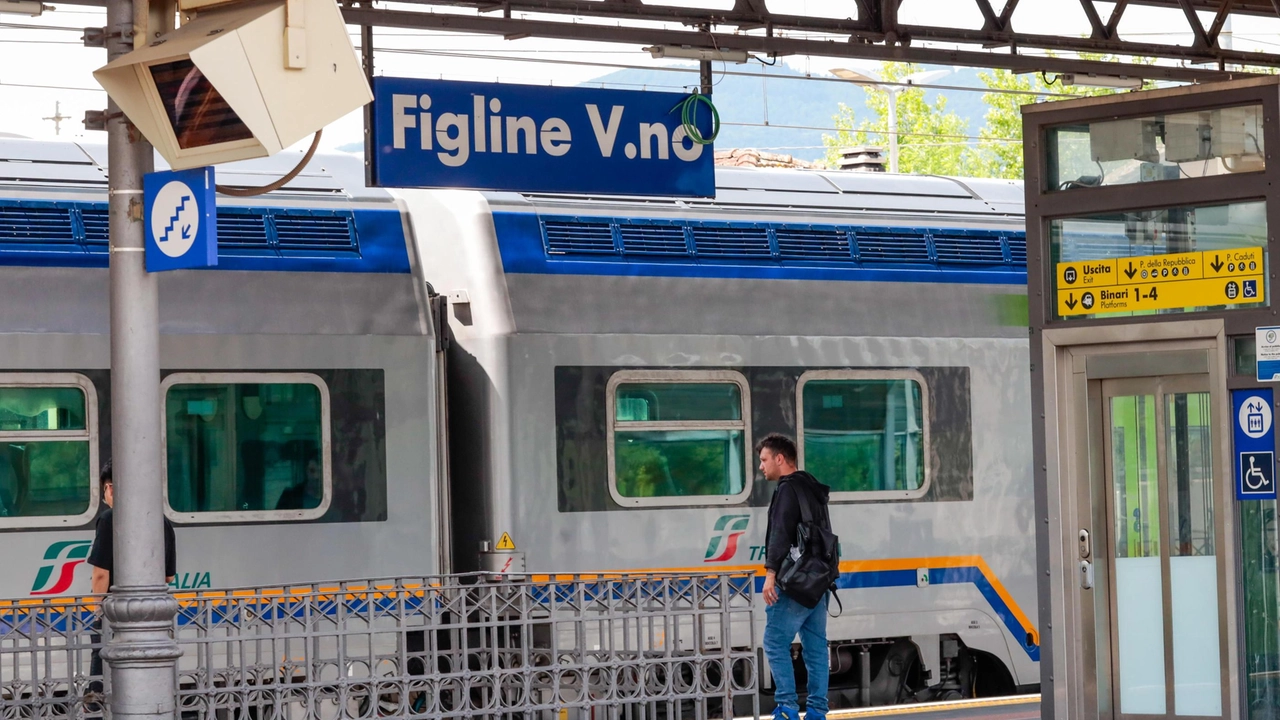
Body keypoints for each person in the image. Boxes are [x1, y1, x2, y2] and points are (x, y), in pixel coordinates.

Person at [86, 459, 177, 700]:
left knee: (101, 677)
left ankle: (96, 708)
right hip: (152, 616)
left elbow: (101, 573)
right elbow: (169, 575)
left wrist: (97, 608)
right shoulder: (163, 521)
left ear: (111, 489)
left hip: (115, 612)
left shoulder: (109, 520)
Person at [758, 433, 832, 720]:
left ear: (780, 458)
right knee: (815, 648)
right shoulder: (813, 488)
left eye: (764, 460)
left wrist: (770, 574)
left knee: (775, 642)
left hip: (796, 584)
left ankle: (787, 708)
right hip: (819, 582)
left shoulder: (787, 489)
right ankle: (817, 711)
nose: (762, 466)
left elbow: (779, 534)